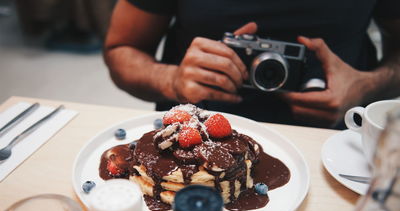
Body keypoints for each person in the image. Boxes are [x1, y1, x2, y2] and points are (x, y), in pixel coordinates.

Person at [103, 0, 400, 128]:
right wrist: (171, 80)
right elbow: (121, 49)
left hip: (334, 143)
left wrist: (365, 87)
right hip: (193, 141)